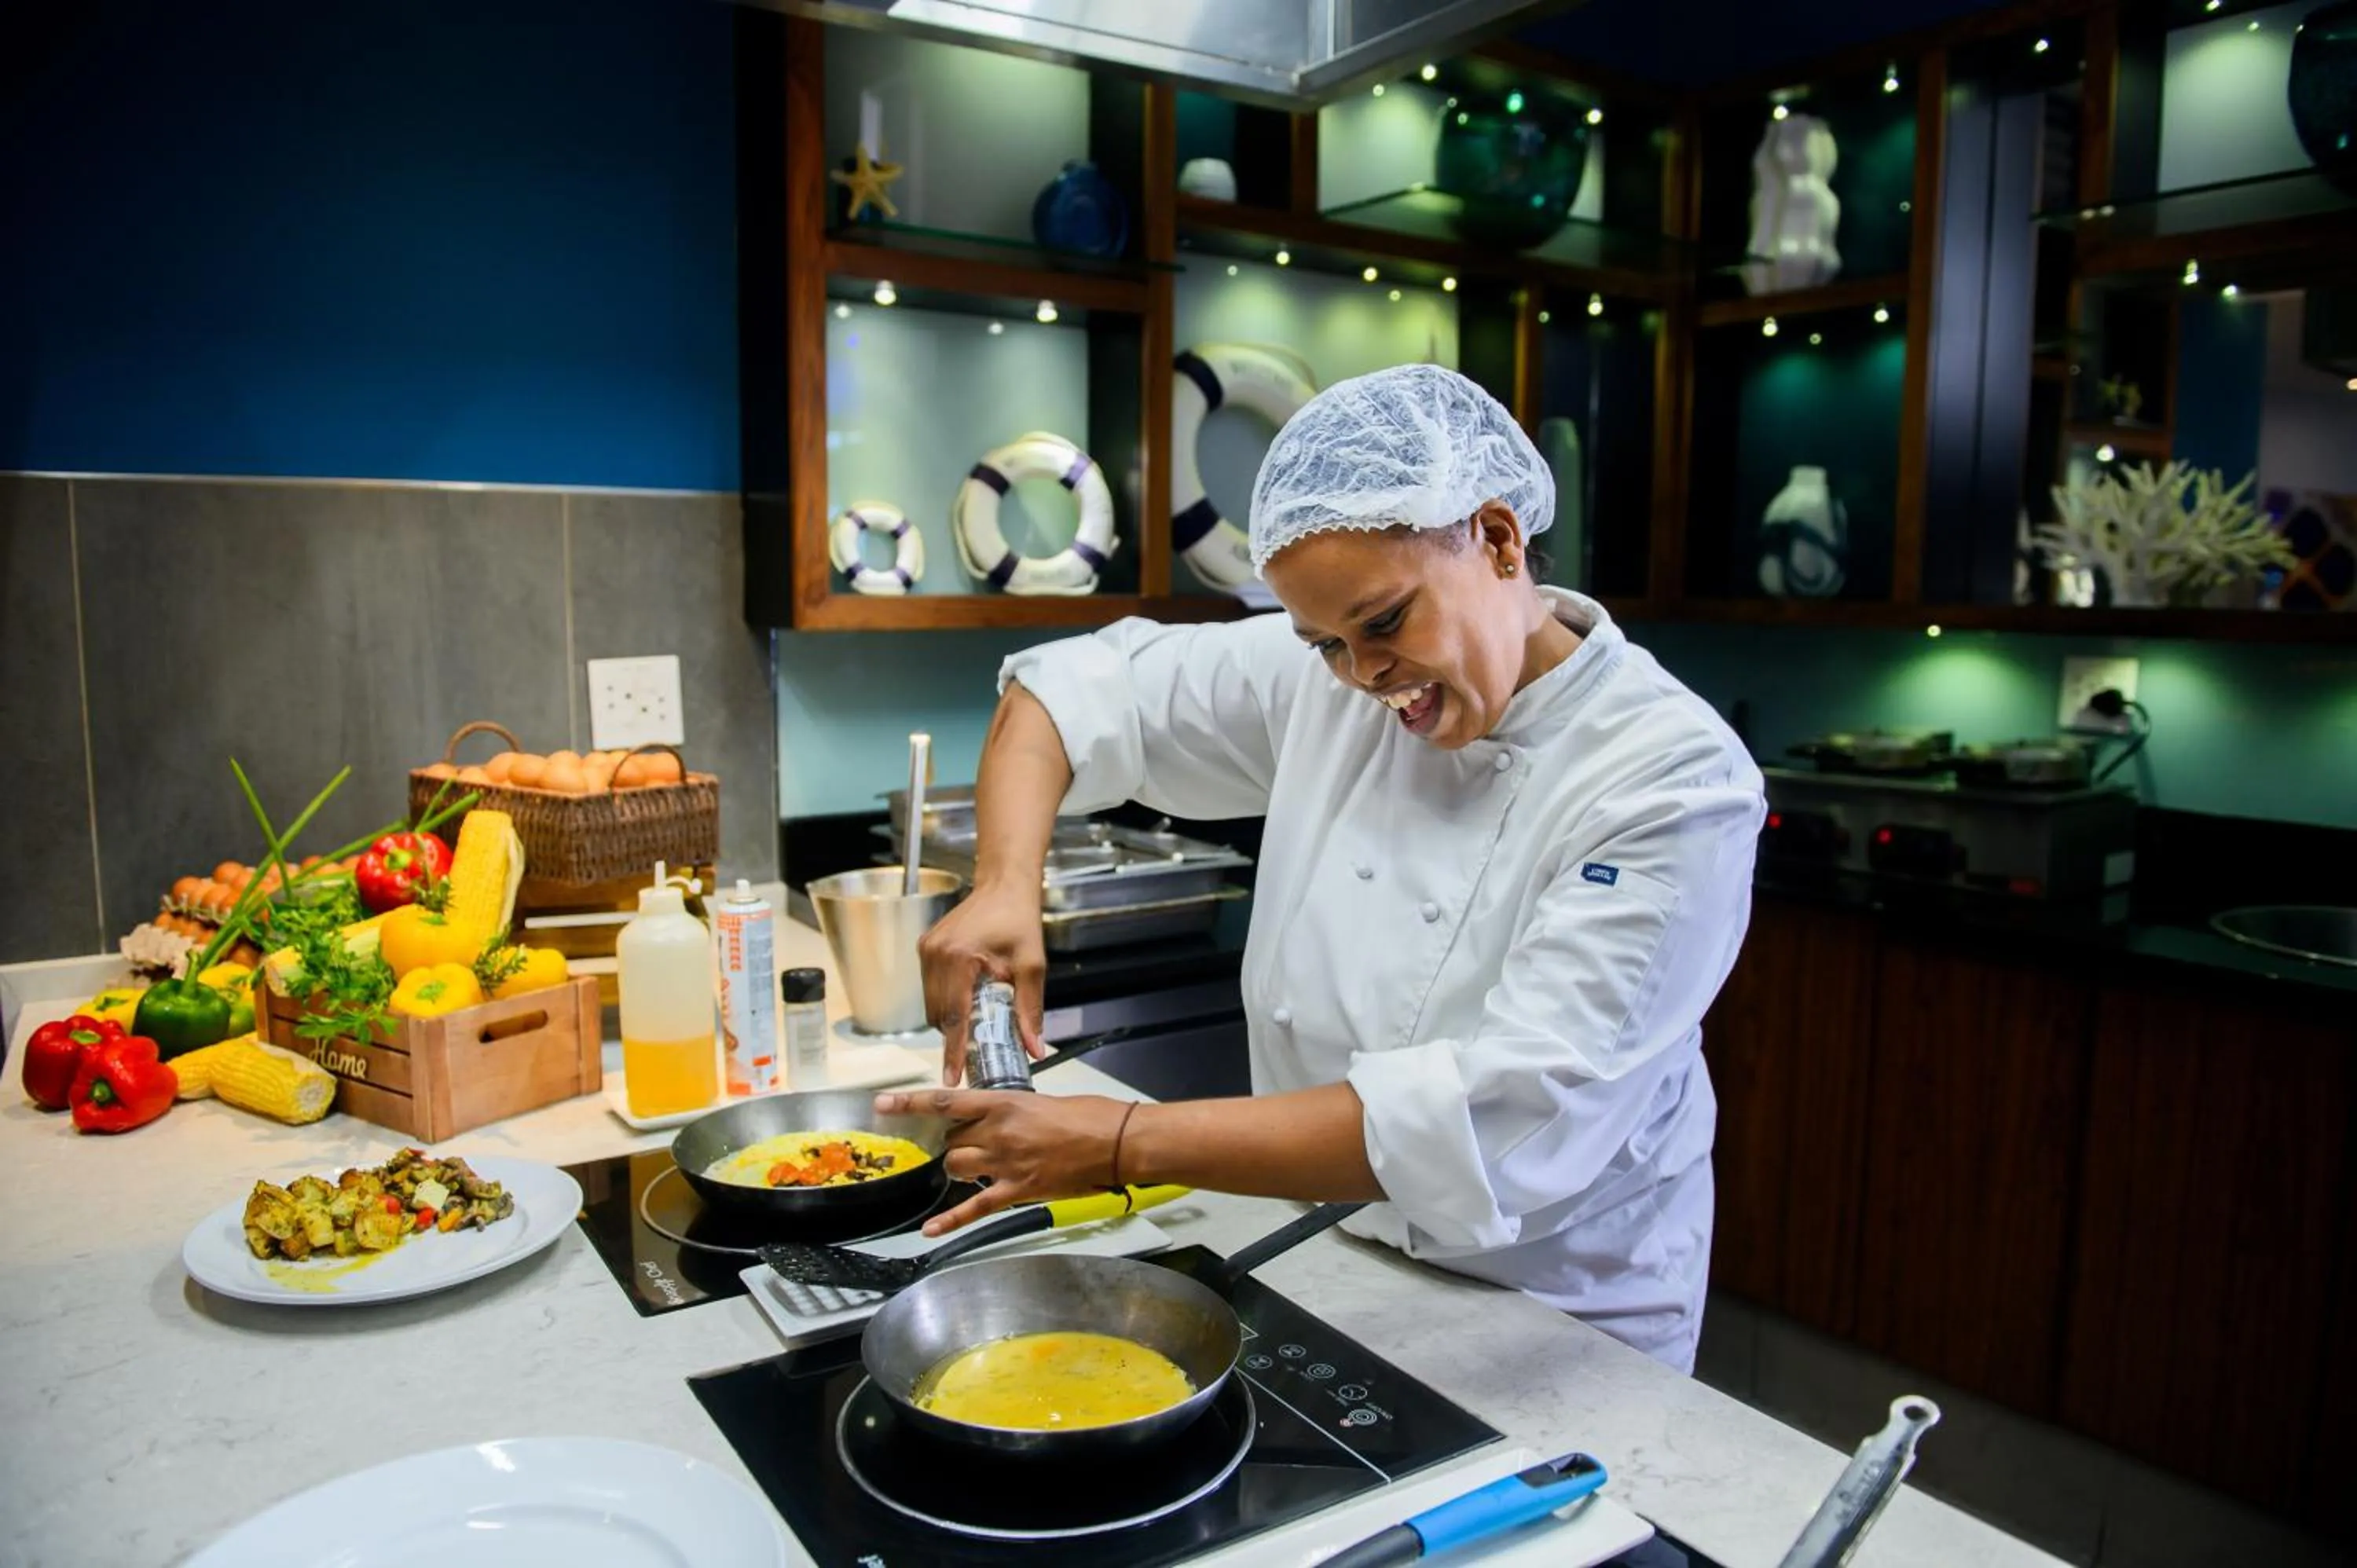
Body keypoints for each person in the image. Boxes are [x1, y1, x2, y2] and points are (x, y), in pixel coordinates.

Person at [876, 363, 1765, 1372]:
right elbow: (1075, 693)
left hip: (1557, 1316)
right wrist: (1003, 885)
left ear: (1499, 537)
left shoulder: (1671, 779)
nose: (1361, 676)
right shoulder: (1336, 680)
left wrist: (1124, 1140)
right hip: (1330, 1255)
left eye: (1384, 624)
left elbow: (1504, 1115)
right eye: (1324, 642)